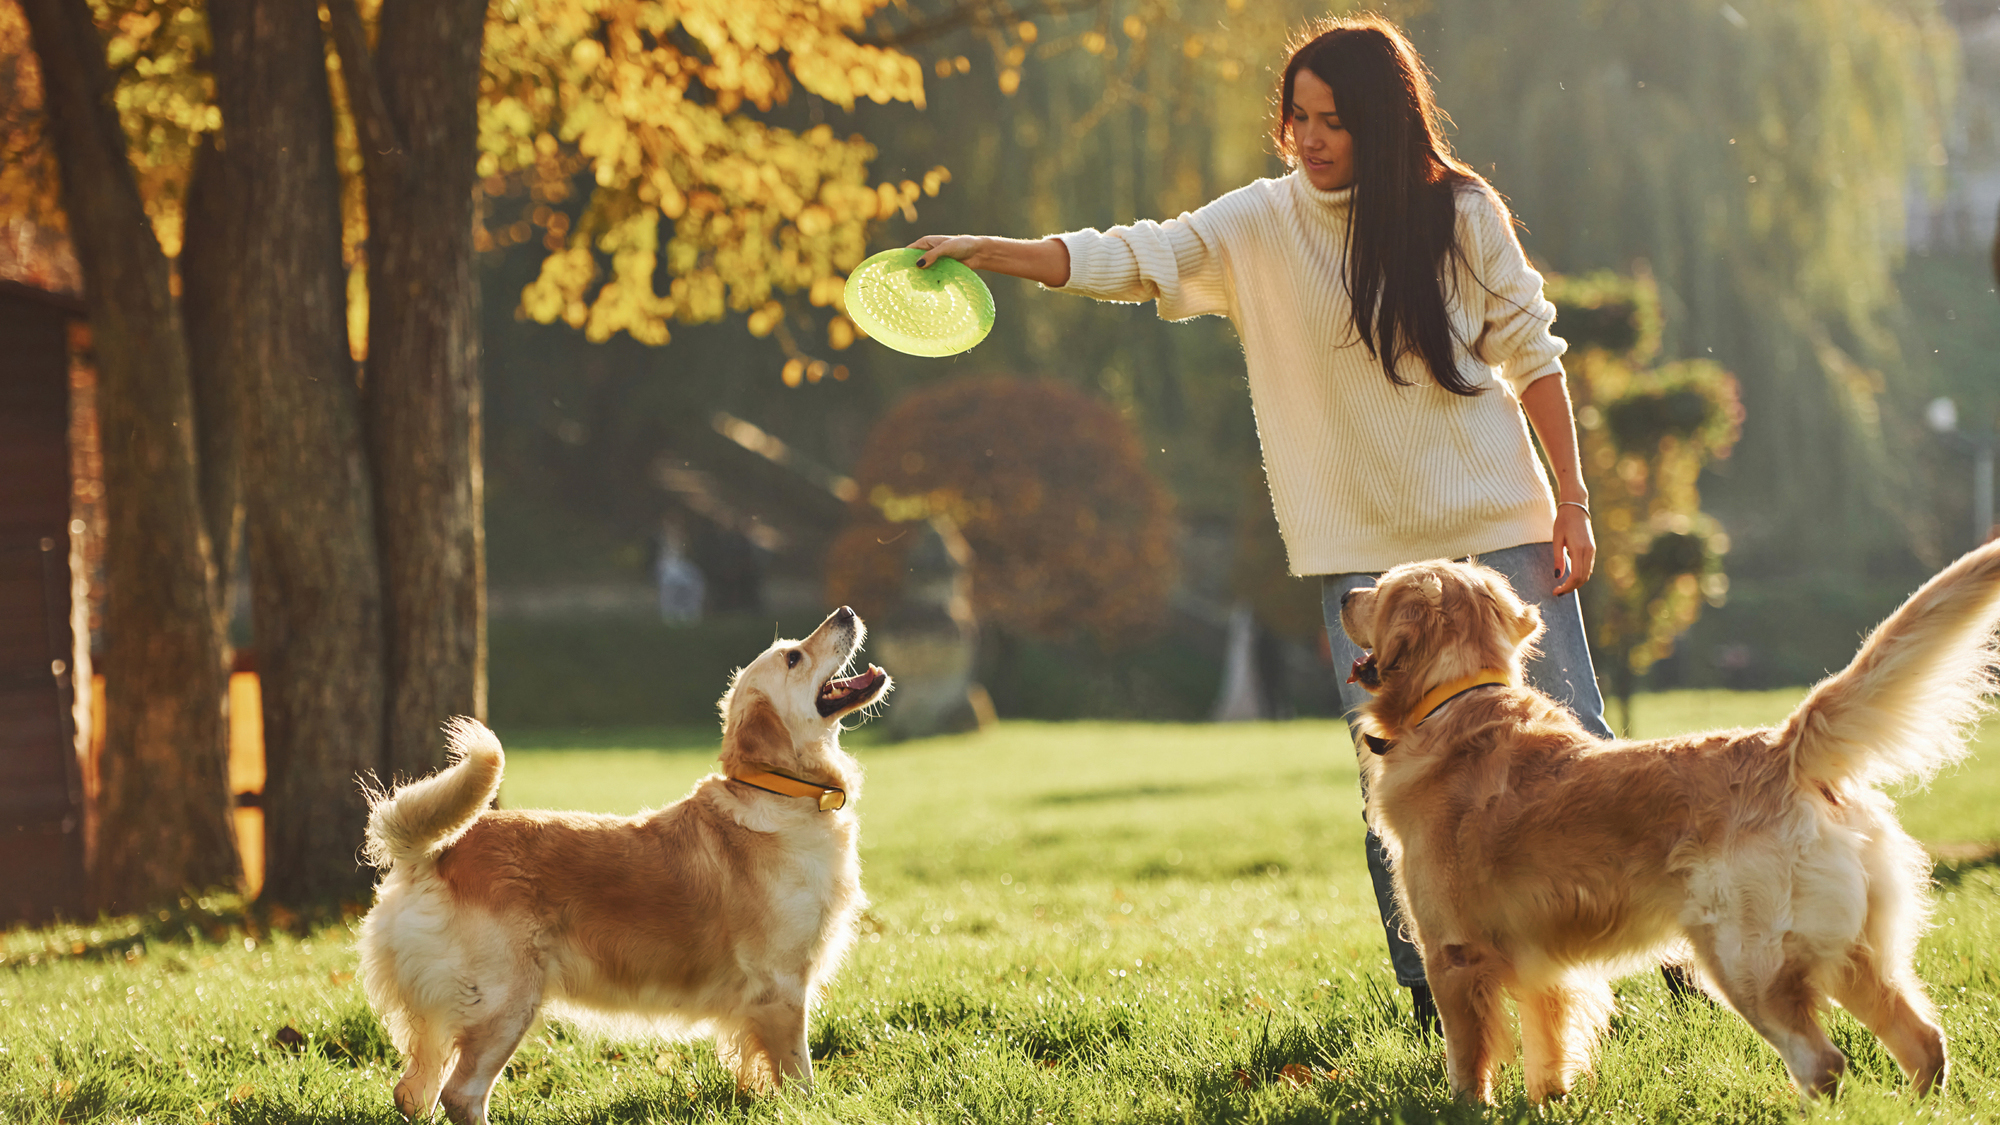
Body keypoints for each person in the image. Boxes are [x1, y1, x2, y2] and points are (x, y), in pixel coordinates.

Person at [909, 14, 1628, 1034]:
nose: (1310, 138)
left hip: (1493, 521)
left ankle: (1629, 948)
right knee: (1394, 777)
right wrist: (994, 252)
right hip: (1362, 559)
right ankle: (1430, 990)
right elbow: (1133, 255)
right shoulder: (1257, 222)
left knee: (1574, 746)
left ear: (1381, 122)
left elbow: (1532, 355)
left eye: (1333, 120)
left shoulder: (1459, 212)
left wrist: (1571, 501)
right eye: (1296, 118)